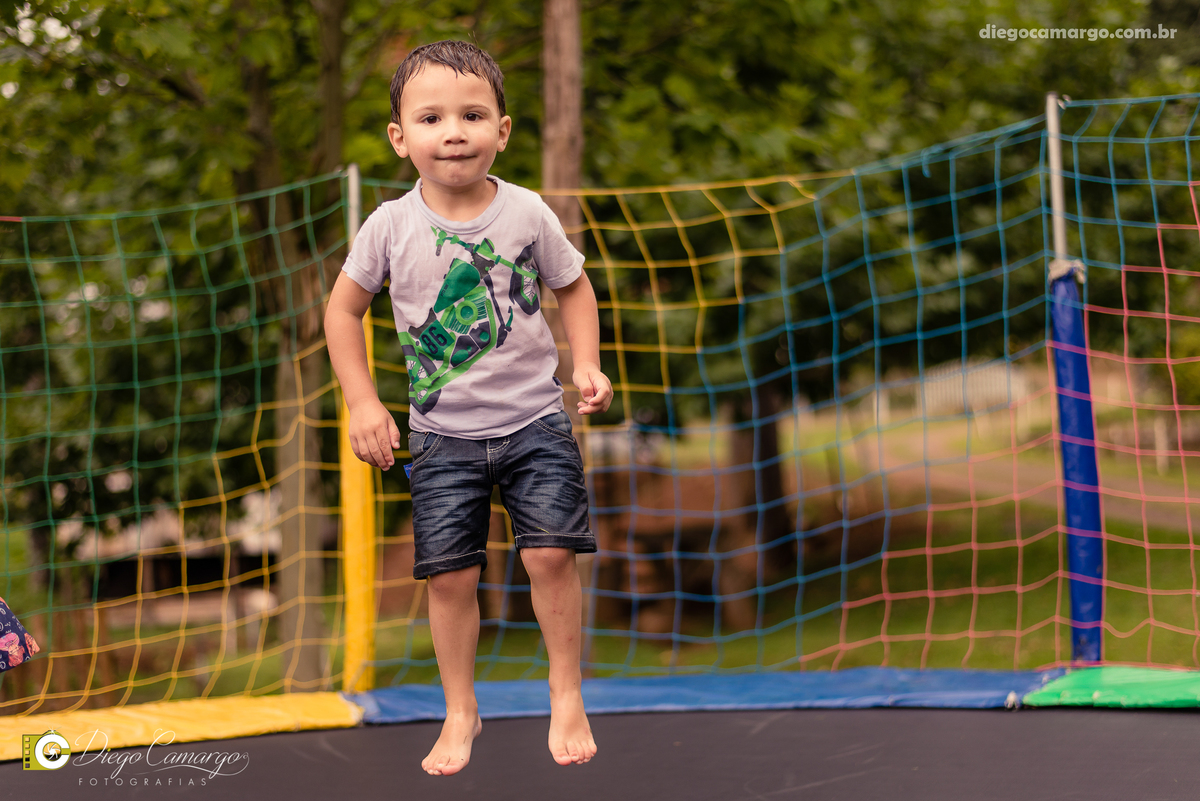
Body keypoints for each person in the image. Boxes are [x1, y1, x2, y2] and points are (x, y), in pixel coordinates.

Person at [324, 39, 611, 776]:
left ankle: (565, 689)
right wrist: (362, 401)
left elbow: (573, 287)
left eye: (472, 114)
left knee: (550, 554)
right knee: (450, 576)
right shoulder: (389, 225)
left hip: (535, 424)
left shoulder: (527, 212)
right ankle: (461, 709)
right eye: (431, 117)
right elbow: (341, 311)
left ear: (502, 131)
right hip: (442, 437)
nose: (453, 131)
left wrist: (587, 362)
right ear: (401, 138)